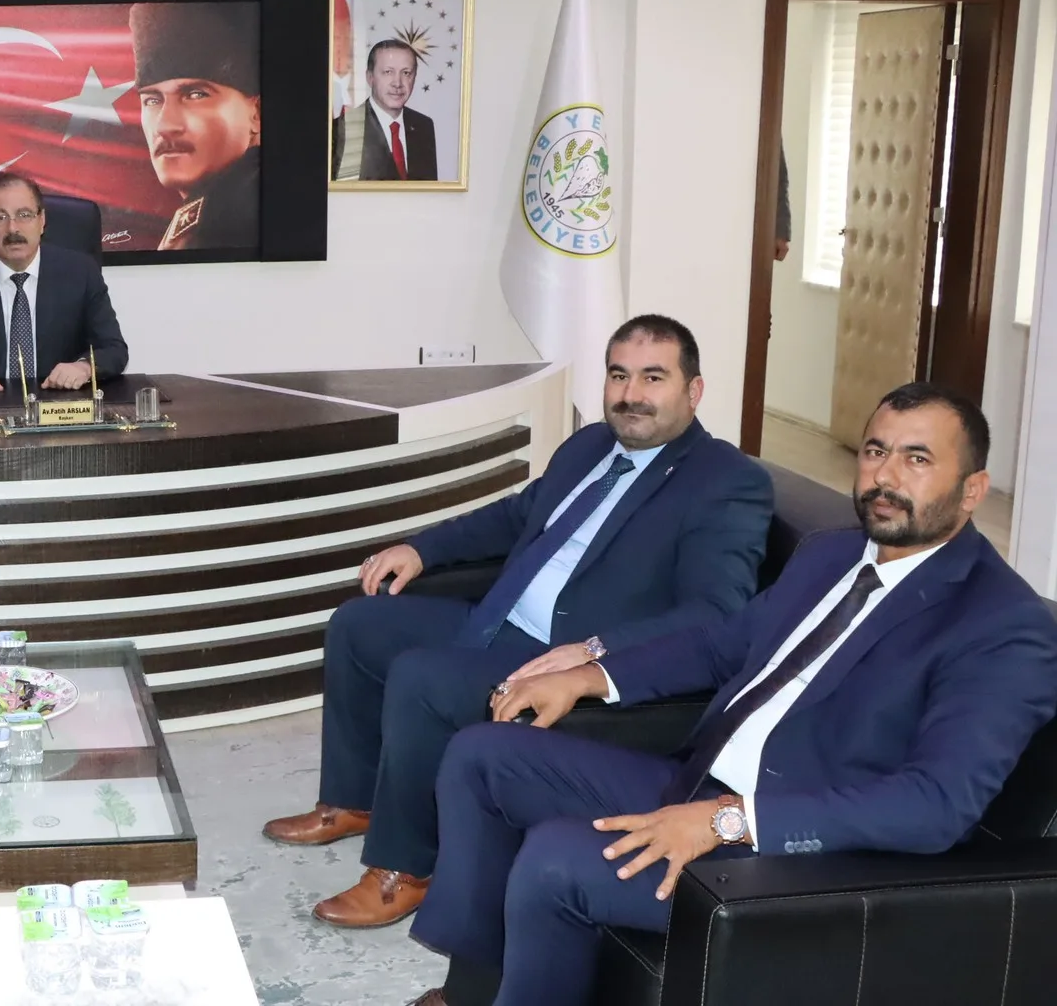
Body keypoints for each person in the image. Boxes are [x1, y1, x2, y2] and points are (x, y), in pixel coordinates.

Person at [403, 383, 1057, 1006]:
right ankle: (476, 990)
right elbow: (722, 644)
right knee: (483, 757)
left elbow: (937, 804)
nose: (885, 477)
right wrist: (590, 675)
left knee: (555, 859)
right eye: (875, 450)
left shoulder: (1002, 625)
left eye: (917, 459)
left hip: (801, 855)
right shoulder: (833, 555)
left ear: (973, 490)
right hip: (698, 781)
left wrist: (730, 820)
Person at [262, 315, 774, 928]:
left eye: (653, 377)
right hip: (498, 617)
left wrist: (596, 649)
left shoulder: (726, 481)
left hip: (560, 657)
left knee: (423, 680)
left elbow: (716, 614)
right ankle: (353, 801)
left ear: (693, 391)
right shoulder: (590, 447)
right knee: (359, 626)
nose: (631, 394)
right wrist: (423, 548)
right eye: (618, 375)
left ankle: (406, 868)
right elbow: (513, 518)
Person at [0, 172, 128, 393]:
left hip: (58, 405)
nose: (12, 229)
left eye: (24, 215)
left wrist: (84, 368)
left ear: (41, 220)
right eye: (0, 217)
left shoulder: (81, 273)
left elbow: (114, 349)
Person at [129, 1, 262, 250]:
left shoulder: (235, 220)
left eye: (196, 95)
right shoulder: (211, 214)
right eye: (153, 100)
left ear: (256, 113)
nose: (165, 126)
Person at [334, 40, 438, 182]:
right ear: (370, 77)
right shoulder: (344, 128)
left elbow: (429, 191)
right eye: (388, 72)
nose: (397, 83)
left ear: (414, 78)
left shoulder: (423, 126)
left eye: (406, 73)